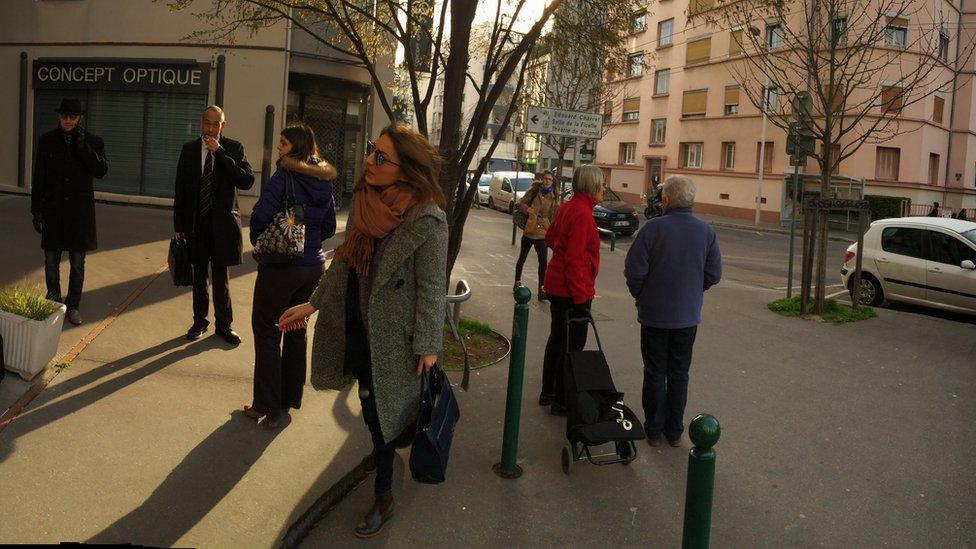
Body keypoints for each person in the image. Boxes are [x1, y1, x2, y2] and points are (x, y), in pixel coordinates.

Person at [278, 123, 448, 537]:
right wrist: (312, 304)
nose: (369, 161)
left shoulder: (428, 219)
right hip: (356, 325)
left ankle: (384, 494)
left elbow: (431, 289)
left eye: (381, 157)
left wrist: (428, 346)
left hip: (394, 341)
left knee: (379, 413)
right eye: (373, 151)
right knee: (375, 411)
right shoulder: (363, 201)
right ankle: (383, 450)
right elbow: (345, 262)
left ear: (406, 169)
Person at [244, 124, 337, 427]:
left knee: (268, 330)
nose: (279, 148)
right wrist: (309, 239)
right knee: (296, 330)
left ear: (294, 147)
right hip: (313, 268)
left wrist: (263, 238)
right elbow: (329, 228)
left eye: (283, 143)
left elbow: (259, 216)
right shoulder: (324, 181)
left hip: (282, 268)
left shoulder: (284, 177)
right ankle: (288, 400)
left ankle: (268, 407)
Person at [624, 175, 722, 448]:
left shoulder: (653, 230)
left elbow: (634, 271)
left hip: (654, 315)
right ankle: (675, 432)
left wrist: (642, 294)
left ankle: (653, 430)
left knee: (655, 371)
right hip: (687, 316)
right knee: (679, 372)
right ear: (691, 200)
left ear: (665, 200)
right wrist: (692, 290)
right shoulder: (706, 232)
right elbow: (714, 273)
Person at [173, 105, 254, 345]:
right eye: (207, 123)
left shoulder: (233, 148)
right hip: (197, 224)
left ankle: (224, 326)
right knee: (199, 277)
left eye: (215, 124)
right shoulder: (188, 150)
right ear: (201, 122)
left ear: (223, 126)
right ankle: (200, 322)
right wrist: (179, 224)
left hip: (222, 226)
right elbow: (181, 190)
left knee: (221, 279)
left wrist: (219, 153)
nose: (210, 128)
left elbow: (246, 180)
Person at [30, 98, 109, 326]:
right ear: (59, 116)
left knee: (77, 264)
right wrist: (36, 211)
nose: (67, 120)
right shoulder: (47, 141)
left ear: (79, 118)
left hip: (79, 216)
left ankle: (73, 306)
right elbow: (39, 177)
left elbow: (101, 170)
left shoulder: (92, 141)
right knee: (51, 262)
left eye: (72, 116)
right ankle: (54, 303)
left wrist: (82, 146)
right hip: (53, 212)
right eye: (64, 115)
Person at [539, 165, 604, 415]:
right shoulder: (582, 214)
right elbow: (575, 260)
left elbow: (550, 238)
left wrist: (564, 249)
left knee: (557, 339)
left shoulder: (568, 207)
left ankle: (549, 391)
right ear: (592, 186)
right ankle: (562, 400)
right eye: (601, 184)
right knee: (572, 346)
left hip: (557, 285)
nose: (604, 188)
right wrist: (580, 298)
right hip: (571, 290)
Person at [515, 170, 558, 301]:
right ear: (542, 180)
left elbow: (553, 214)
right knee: (522, 257)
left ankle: (542, 289)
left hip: (542, 231)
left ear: (552, 182)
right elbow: (521, 204)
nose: (547, 181)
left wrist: (551, 227)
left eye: (550, 179)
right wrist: (528, 210)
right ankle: (517, 282)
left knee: (543, 261)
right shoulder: (534, 191)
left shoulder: (554, 195)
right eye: (545, 179)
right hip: (530, 227)